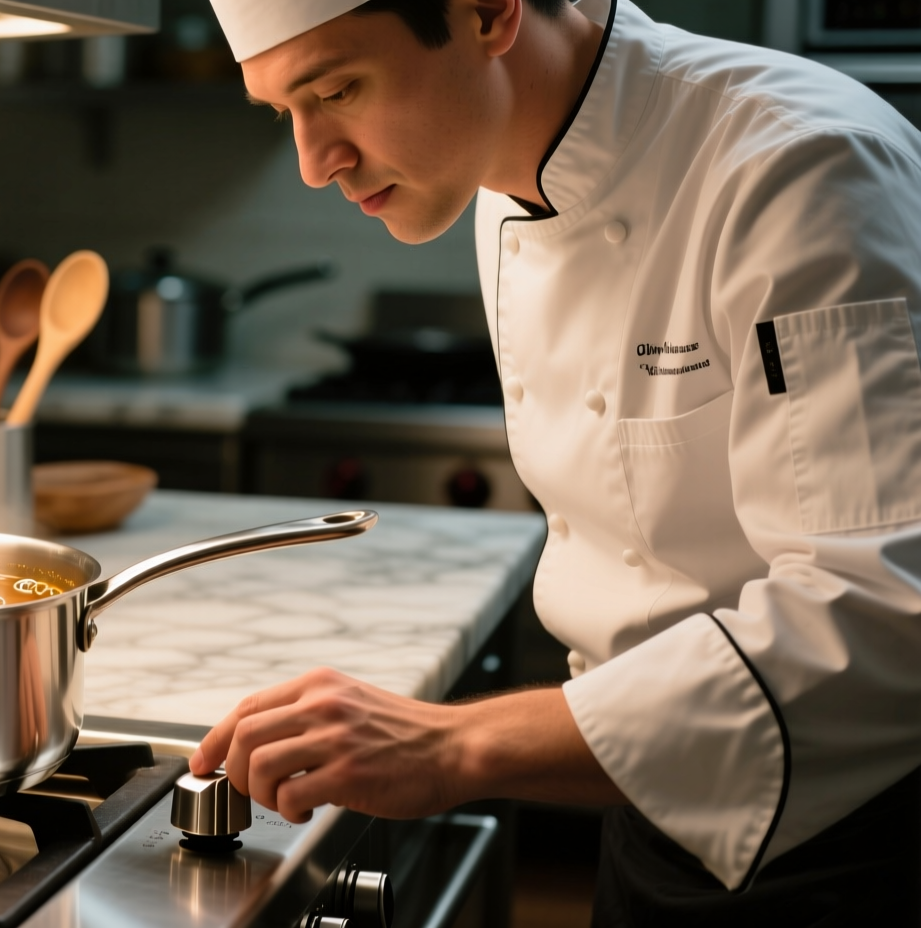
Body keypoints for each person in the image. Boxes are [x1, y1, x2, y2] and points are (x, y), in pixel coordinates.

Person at [193, 0, 921, 922]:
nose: (313, 161)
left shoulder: (798, 165)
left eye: (338, 89)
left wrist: (454, 746)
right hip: (644, 800)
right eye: (282, 112)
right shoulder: (492, 182)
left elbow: (886, 614)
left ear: (490, 13)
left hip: (851, 839)